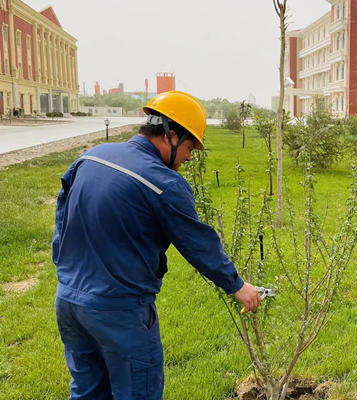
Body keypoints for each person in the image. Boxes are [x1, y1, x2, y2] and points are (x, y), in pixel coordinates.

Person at [52, 91, 261, 399]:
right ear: (170, 135)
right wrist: (237, 285)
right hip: (119, 312)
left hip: (69, 303)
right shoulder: (163, 183)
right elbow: (197, 241)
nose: (190, 157)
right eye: (190, 147)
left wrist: (64, 268)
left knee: (87, 392)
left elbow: (62, 213)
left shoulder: (92, 156)